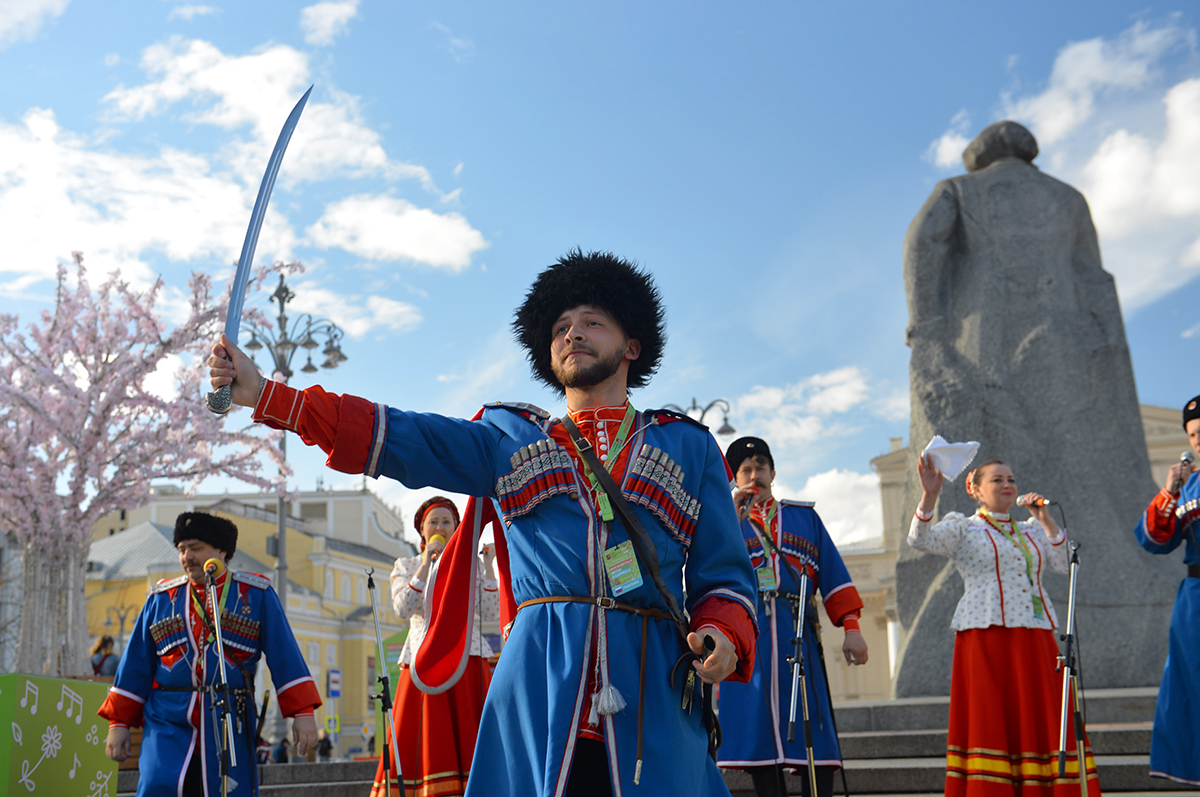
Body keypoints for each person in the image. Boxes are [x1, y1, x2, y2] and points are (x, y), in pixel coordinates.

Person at [208, 249, 759, 797]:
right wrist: (267, 395)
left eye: (593, 322)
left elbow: (726, 572)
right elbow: (403, 436)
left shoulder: (687, 446)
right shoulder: (508, 436)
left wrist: (723, 630)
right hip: (540, 681)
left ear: (632, 345)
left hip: (654, 677)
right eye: (561, 327)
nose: (573, 334)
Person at [910, 457, 1100, 796]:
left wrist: (1045, 519)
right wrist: (929, 496)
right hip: (986, 634)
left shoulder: (1030, 529)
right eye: (997, 479)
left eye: (1010, 479)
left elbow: (1064, 563)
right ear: (977, 490)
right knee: (992, 716)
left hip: (1034, 634)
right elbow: (920, 540)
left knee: (1040, 713)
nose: (1007, 485)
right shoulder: (964, 527)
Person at [98, 512, 322, 796]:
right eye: (182, 549)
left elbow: (285, 656)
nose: (187, 556)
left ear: (222, 551)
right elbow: (134, 666)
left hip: (229, 717)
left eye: (196, 547)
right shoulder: (160, 599)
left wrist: (302, 713)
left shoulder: (256, 595)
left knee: (227, 790)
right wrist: (119, 723)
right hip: (167, 719)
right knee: (158, 785)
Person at [715, 437, 868, 797]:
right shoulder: (723, 523)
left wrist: (852, 629)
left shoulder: (803, 517)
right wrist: (727, 517)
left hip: (796, 631)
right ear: (734, 479)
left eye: (761, 468)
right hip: (747, 639)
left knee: (813, 727)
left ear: (773, 472)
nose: (755, 476)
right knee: (758, 735)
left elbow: (833, 572)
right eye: (746, 470)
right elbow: (708, 575)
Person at [370, 496, 500, 797]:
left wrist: (488, 565)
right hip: (422, 661)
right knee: (428, 737)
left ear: (457, 530)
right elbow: (403, 607)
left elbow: (491, 611)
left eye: (447, 522)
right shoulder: (406, 564)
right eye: (434, 522)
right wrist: (427, 565)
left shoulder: (468, 567)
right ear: (422, 531)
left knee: (471, 731)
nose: (440, 527)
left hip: (467, 657)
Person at [1134, 394, 1200, 786]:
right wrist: (1169, 491)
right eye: (1193, 434)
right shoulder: (1188, 487)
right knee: (1192, 684)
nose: (1198, 440)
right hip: (1196, 596)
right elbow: (1154, 541)